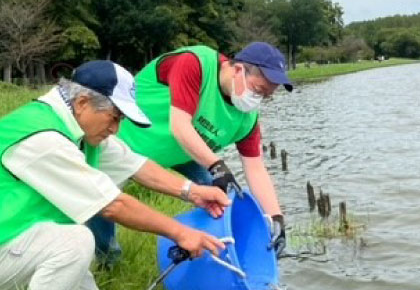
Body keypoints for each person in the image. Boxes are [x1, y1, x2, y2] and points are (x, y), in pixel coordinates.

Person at [0, 60, 229, 290]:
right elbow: (112, 205)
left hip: (18, 241)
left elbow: (136, 165)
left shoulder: (78, 129)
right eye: (114, 117)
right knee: (77, 241)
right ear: (82, 103)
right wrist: (180, 233)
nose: (116, 128)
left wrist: (193, 191)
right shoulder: (43, 138)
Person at [114, 41, 292, 260]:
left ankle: (213, 254)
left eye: (266, 96)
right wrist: (217, 167)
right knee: (104, 203)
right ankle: (109, 260)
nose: (258, 99)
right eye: (258, 90)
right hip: (126, 141)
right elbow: (180, 126)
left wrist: (276, 218)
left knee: (222, 198)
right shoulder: (194, 64)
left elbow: (255, 168)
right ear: (237, 69)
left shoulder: (247, 119)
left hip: (181, 152)